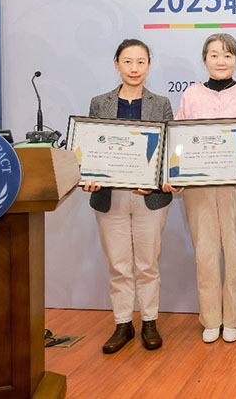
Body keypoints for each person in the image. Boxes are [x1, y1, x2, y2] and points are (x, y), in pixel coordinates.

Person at [163, 33, 236, 343]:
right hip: (199, 188)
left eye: (228, 55)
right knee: (205, 254)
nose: (221, 61)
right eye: (214, 55)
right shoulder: (191, 94)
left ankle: (233, 318)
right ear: (204, 59)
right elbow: (178, 139)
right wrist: (175, 174)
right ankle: (211, 318)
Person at [83, 39, 173, 353]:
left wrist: (156, 182)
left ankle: (149, 321)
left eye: (140, 62)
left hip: (148, 197)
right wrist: (88, 175)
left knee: (148, 264)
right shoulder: (100, 103)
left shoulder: (161, 103)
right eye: (128, 61)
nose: (134, 68)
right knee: (119, 265)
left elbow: (168, 151)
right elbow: (91, 148)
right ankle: (123, 323)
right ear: (117, 64)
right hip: (111, 197)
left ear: (149, 65)